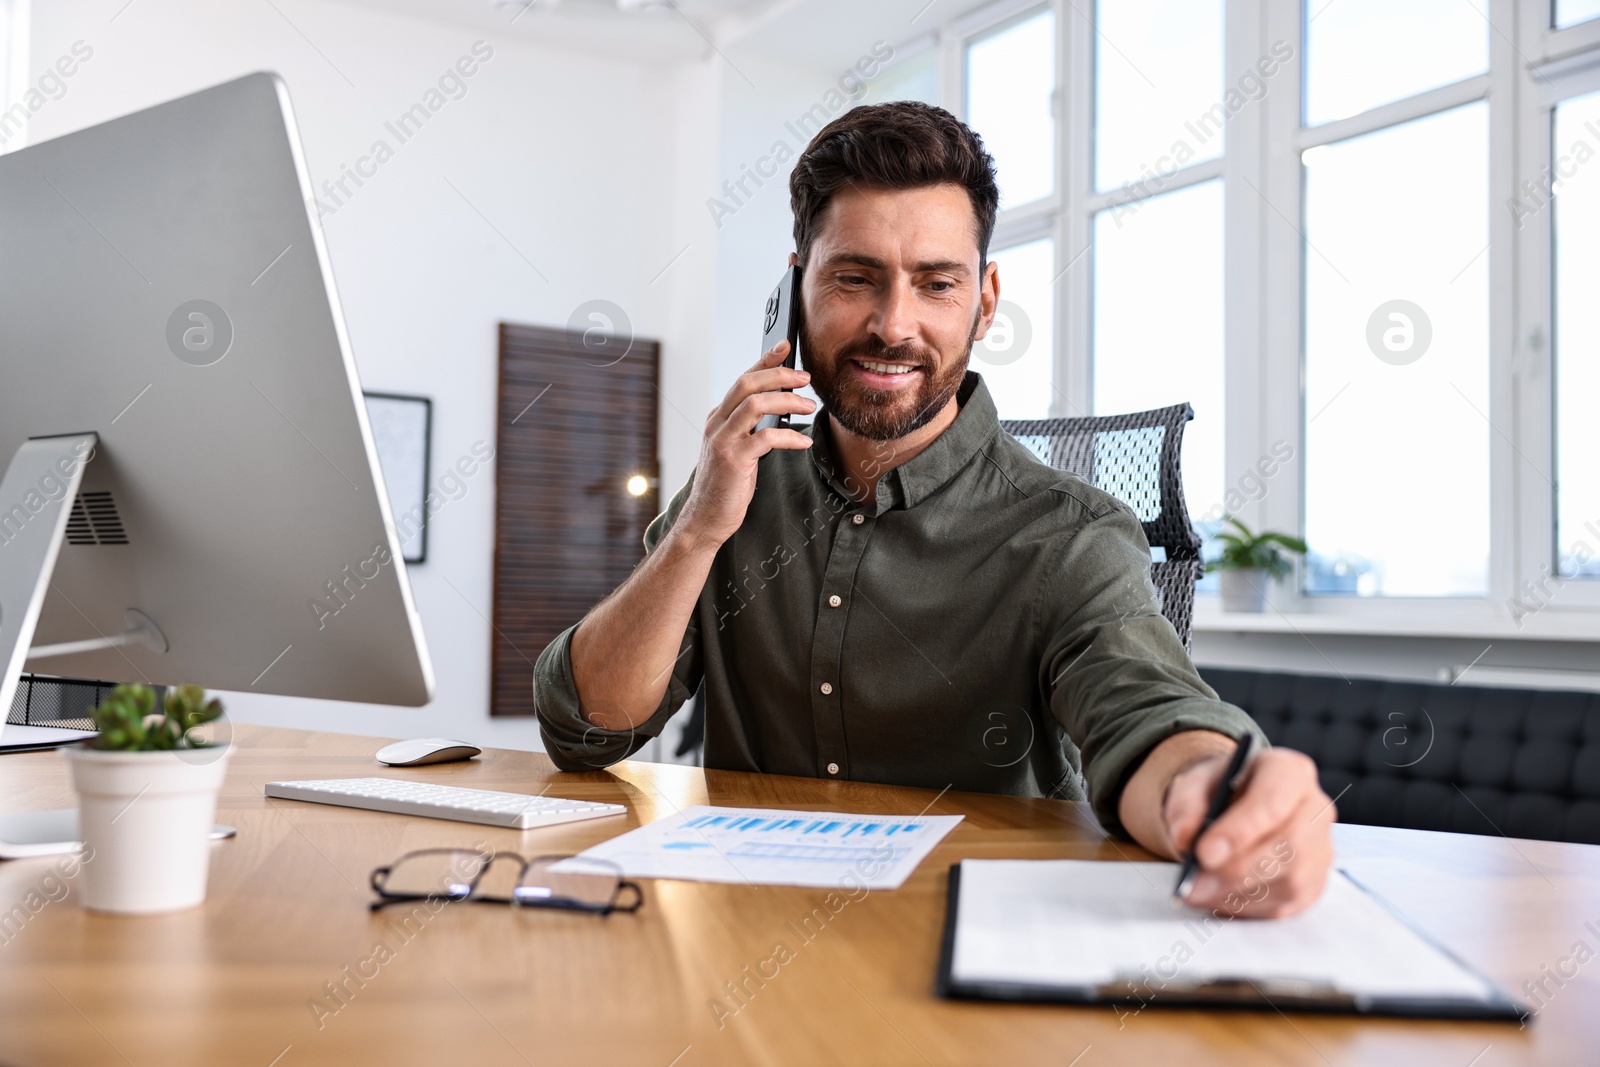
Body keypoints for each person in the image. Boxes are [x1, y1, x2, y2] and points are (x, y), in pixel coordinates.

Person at [534, 101, 1333, 917]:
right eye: (854, 277)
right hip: (750, 956)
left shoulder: (1068, 534)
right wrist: (697, 533)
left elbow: (1148, 710)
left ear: (984, 300)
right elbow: (584, 729)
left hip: (971, 958)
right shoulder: (732, 493)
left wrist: (1210, 790)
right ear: (794, 289)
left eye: (936, 283)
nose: (893, 325)